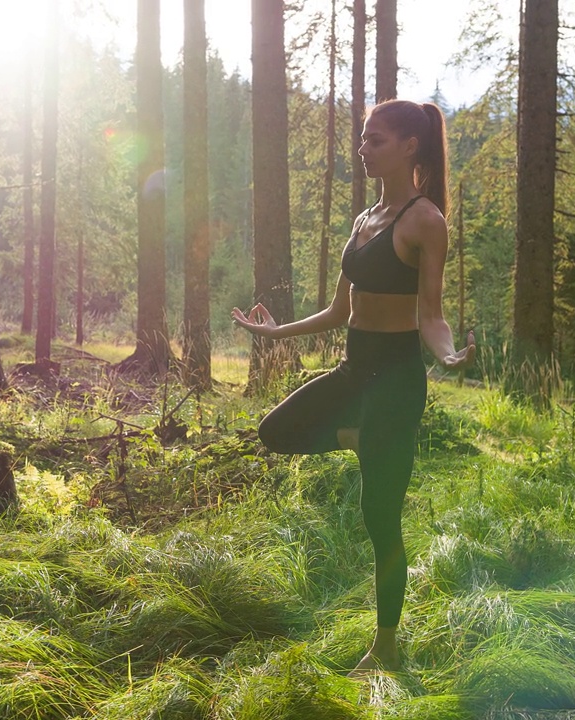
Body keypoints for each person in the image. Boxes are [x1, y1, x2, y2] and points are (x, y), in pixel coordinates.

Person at [231, 99, 476, 676]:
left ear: (409, 146)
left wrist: (447, 354)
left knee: (379, 518)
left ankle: (385, 649)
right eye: (363, 139)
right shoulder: (365, 219)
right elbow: (341, 309)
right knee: (276, 430)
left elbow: (431, 316)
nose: (363, 148)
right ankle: (361, 439)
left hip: (396, 382)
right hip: (352, 370)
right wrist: (275, 332)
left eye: (376, 140)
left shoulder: (425, 220)